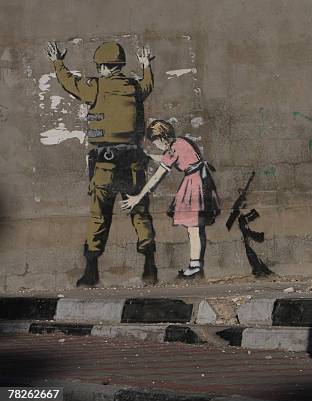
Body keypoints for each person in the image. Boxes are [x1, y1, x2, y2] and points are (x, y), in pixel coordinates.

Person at [45, 41, 158, 287]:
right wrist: (146, 66)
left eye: (99, 66)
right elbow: (148, 84)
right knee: (139, 213)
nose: (99, 70)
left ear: (105, 66)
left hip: (105, 166)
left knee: (99, 217)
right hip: (132, 164)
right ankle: (150, 266)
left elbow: (69, 84)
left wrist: (58, 62)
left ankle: (91, 270)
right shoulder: (134, 87)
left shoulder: (95, 87)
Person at [120, 120, 219, 279]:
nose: (156, 145)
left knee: (193, 228)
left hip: (194, 183)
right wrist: (150, 155)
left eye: (155, 142)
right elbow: (170, 157)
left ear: (161, 138)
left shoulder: (173, 150)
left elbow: (157, 177)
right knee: (195, 227)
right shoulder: (181, 142)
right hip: (202, 179)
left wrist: (138, 197)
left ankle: (195, 264)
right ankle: (195, 263)